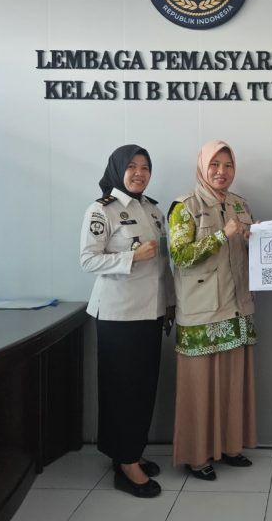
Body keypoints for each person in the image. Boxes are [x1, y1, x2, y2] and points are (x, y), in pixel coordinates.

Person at [80, 144, 175, 498]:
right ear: (118, 169)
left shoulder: (153, 210)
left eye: (145, 167)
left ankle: (129, 452)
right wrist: (130, 257)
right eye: (132, 166)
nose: (139, 173)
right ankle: (126, 463)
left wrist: (169, 304)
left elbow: (162, 265)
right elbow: (88, 260)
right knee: (121, 390)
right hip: (118, 315)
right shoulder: (101, 209)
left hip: (149, 313)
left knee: (142, 389)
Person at [168, 140, 257, 481]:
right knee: (199, 387)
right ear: (202, 167)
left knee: (232, 382)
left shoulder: (239, 204)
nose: (222, 172)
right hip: (201, 311)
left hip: (237, 307)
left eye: (228, 165)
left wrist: (267, 234)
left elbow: (256, 249)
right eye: (215, 165)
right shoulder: (185, 207)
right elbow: (179, 256)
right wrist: (221, 236)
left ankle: (230, 447)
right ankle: (197, 456)